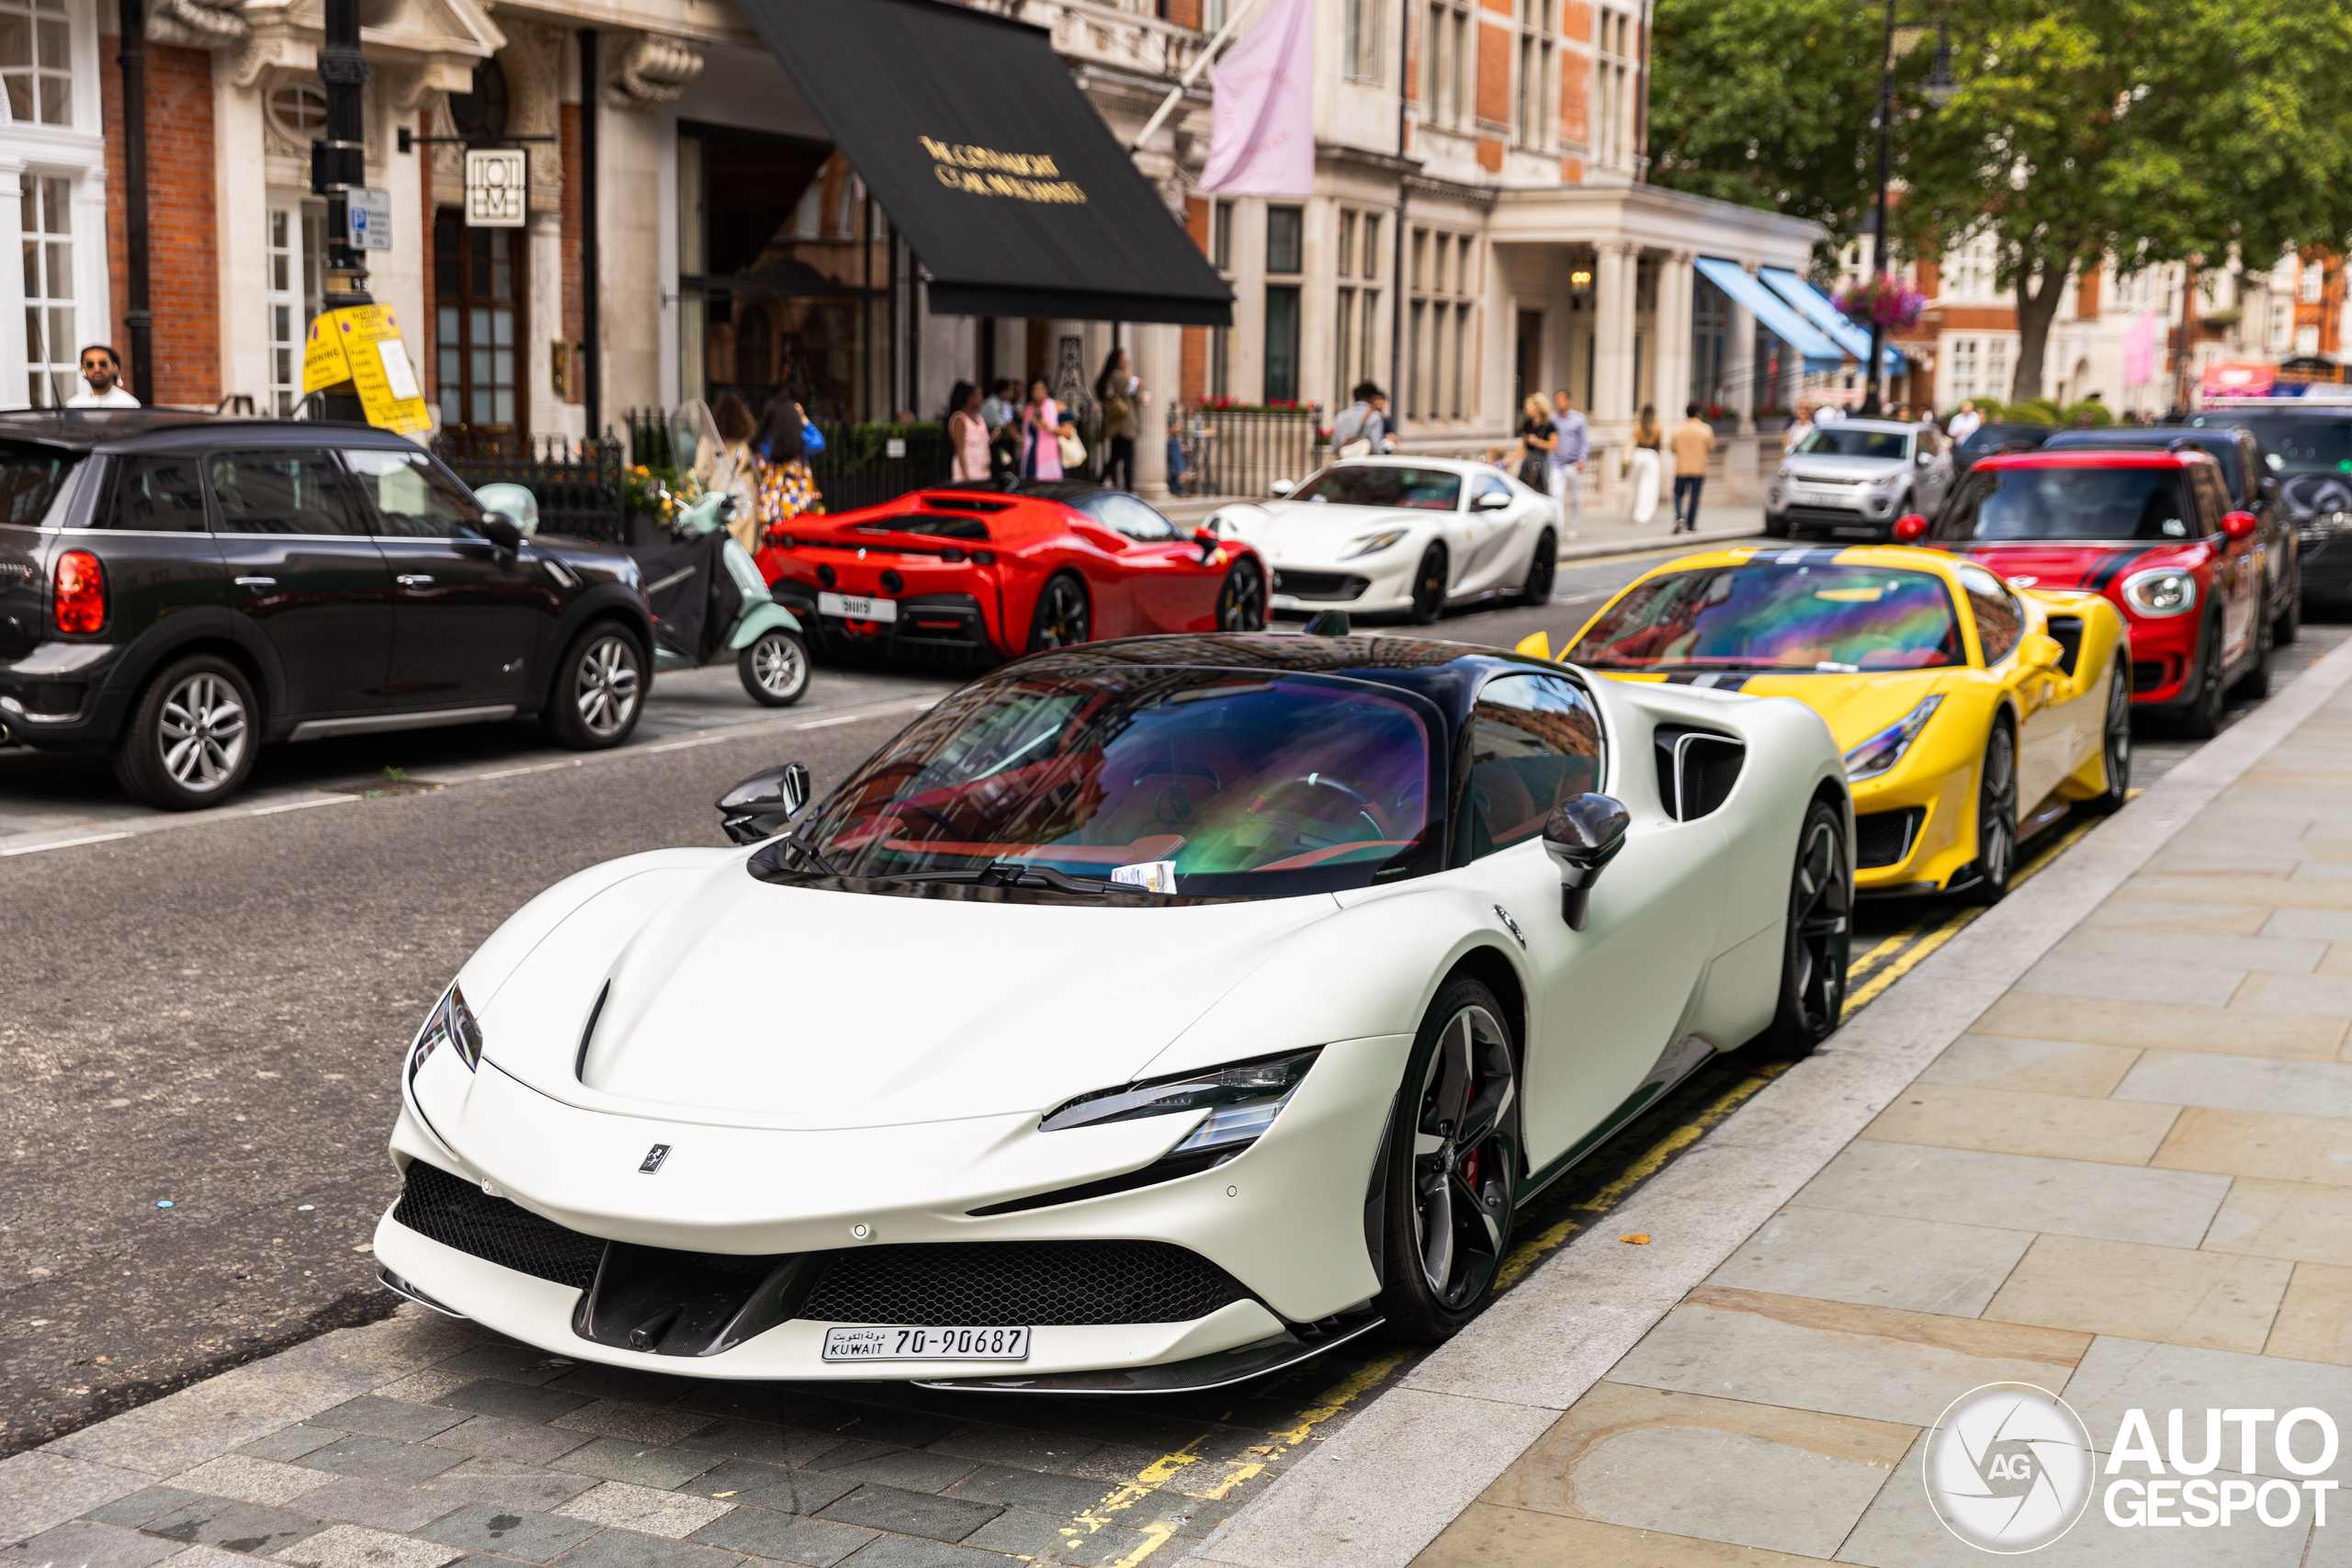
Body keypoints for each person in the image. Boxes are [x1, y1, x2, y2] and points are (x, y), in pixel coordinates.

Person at [749, 397, 823, 541]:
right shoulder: (798, 443)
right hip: (795, 510)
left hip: (768, 510)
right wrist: (803, 417)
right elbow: (819, 442)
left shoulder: (762, 443)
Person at [703, 390, 761, 554]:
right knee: (744, 547)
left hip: (718, 494)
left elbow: (701, 471)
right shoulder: (744, 439)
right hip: (743, 494)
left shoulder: (708, 439)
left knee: (719, 544)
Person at [1094, 347, 1141, 491]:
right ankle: (1129, 488)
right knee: (1127, 458)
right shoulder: (1118, 375)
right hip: (1123, 425)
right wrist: (1136, 381)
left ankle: (1099, 481)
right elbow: (1133, 384)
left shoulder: (1114, 375)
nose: (1126, 361)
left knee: (1116, 457)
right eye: (1123, 359)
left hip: (1117, 425)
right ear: (1116, 362)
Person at [1668, 402, 1716, 534]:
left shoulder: (1678, 429)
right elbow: (1711, 447)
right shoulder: (1706, 429)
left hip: (1681, 468)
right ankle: (1690, 524)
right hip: (1698, 469)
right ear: (1698, 414)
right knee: (1694, 497)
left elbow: (1672, 448)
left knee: (1678, 495)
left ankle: (1679, 516)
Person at [1548, 389, 1588, 540]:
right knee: (1556, 496)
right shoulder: (1552, 419)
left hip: (1574, 464)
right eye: (1557, 400)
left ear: (1569, 401)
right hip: (1557, 465)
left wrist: (1582, 459)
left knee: (1576, 499)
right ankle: (1559, 528)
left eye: (1561, 400)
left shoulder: (1579, 419)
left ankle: (1573, 527)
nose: (1559, 403)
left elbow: (1585, 441)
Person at [1019, 376, 1075, 481]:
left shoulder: (1057, 407)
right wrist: (1018, 438)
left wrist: (1048, 427)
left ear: (1047, 390)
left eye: (1042, 388)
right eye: (1035, 389)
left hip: (1053, 457)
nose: (1039, 392)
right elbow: (1009, 422)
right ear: (1030, 391)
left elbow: (1068, 433)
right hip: (1031, 456)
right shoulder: (1027, 410)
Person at [1331, 382, 1395, 457]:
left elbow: (1335, 446)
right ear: (1371, 397)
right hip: (1363, 464)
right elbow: (1376, 448)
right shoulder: (1375, 417)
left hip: (1344, 464)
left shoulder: (1341, 416)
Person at [67, 344, 138, 408]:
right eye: (90, 364)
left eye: (103, 364)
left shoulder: (129, 405)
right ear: (83, 369)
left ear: (115, 368)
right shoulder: (73, 405)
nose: (97, 369)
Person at [946, 380, 989, 483]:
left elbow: (981, 443)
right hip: (968, 472)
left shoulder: (979, 417)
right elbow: (960, 450)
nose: (982, 399)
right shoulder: (960, 419)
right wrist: (966, 477)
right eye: (979, 395)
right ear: (970, 398)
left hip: (983, 472)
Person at [1627, 404, 1663, 526]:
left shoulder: (1637, 427)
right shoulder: (1657, 428)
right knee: (1649, 487)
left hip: (1638, 455)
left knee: (1635, 484)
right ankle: (1643, 515)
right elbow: (1659, 445)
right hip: (1650, 456)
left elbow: (1633, 441)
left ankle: (1634, 510)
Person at [1514, 394, 1555, 490]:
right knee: (1523, 487)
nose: (1526, 407)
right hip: (1528, 461)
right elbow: (1522, 446)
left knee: (1542, 488)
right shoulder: (1527, 424)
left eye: (1528, 404)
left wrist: (1537, 442)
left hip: (1542, 461)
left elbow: (1554, 445)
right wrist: (1510, 460)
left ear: (1537, 406)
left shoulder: (1548, 425)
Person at [1166, 412, 1191, 497]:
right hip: (1162, 444)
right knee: (1174, 447)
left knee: (1176, 448)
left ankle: (1176, 487)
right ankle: (1182, 473)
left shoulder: (1168, 414)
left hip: (1168, 444)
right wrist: (1172, 430)